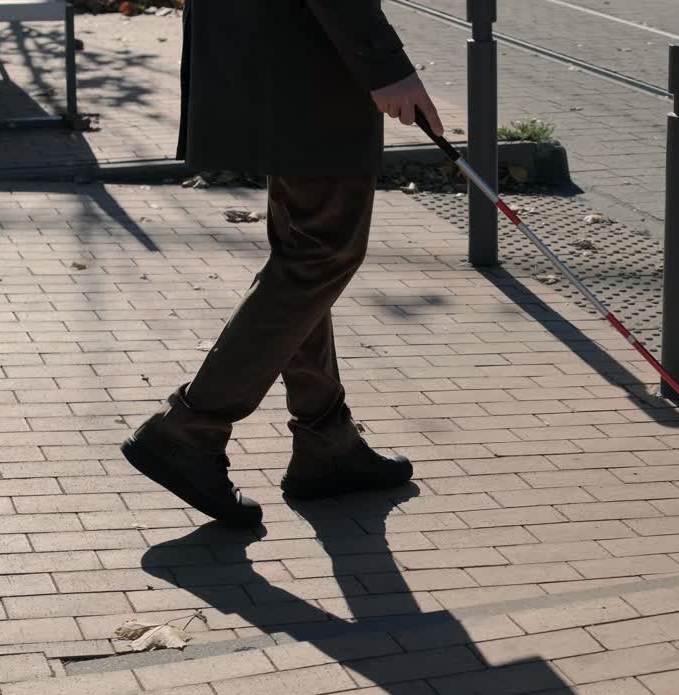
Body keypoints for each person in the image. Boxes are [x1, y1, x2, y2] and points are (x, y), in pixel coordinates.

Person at [121, 0, 445, 527]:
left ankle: (327, 441)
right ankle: (188, 430)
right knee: (321, 252)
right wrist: (386, 64)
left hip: (281, 54)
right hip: (309, 61)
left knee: (306, 252)